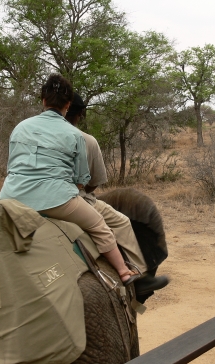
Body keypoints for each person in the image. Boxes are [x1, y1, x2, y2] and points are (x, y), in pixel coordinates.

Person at [0, 74, 139, 285]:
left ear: (43, 101)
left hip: (11, 197)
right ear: (67, 105)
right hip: (57, 200)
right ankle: (124, 272)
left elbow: (12, 167)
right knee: (99, 225)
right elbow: (81, 180)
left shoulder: (20, 127)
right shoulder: (74, 134)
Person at [65, 93, 169, 296]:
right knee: (121, 222)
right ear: (79, 115)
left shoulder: (32, 133)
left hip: (26, 198)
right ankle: (139, 276)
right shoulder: (86, 140)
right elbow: (93, 183)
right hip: (71, 200)